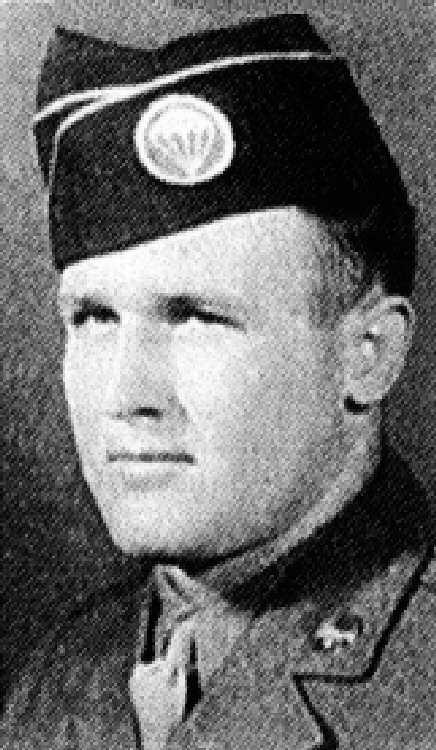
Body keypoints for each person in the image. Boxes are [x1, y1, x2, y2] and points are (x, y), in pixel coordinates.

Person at [1, 11, 434, 750]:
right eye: (94, 318)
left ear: (369, 355)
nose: (128, 398)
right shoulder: (62, 679)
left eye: (198, 318)